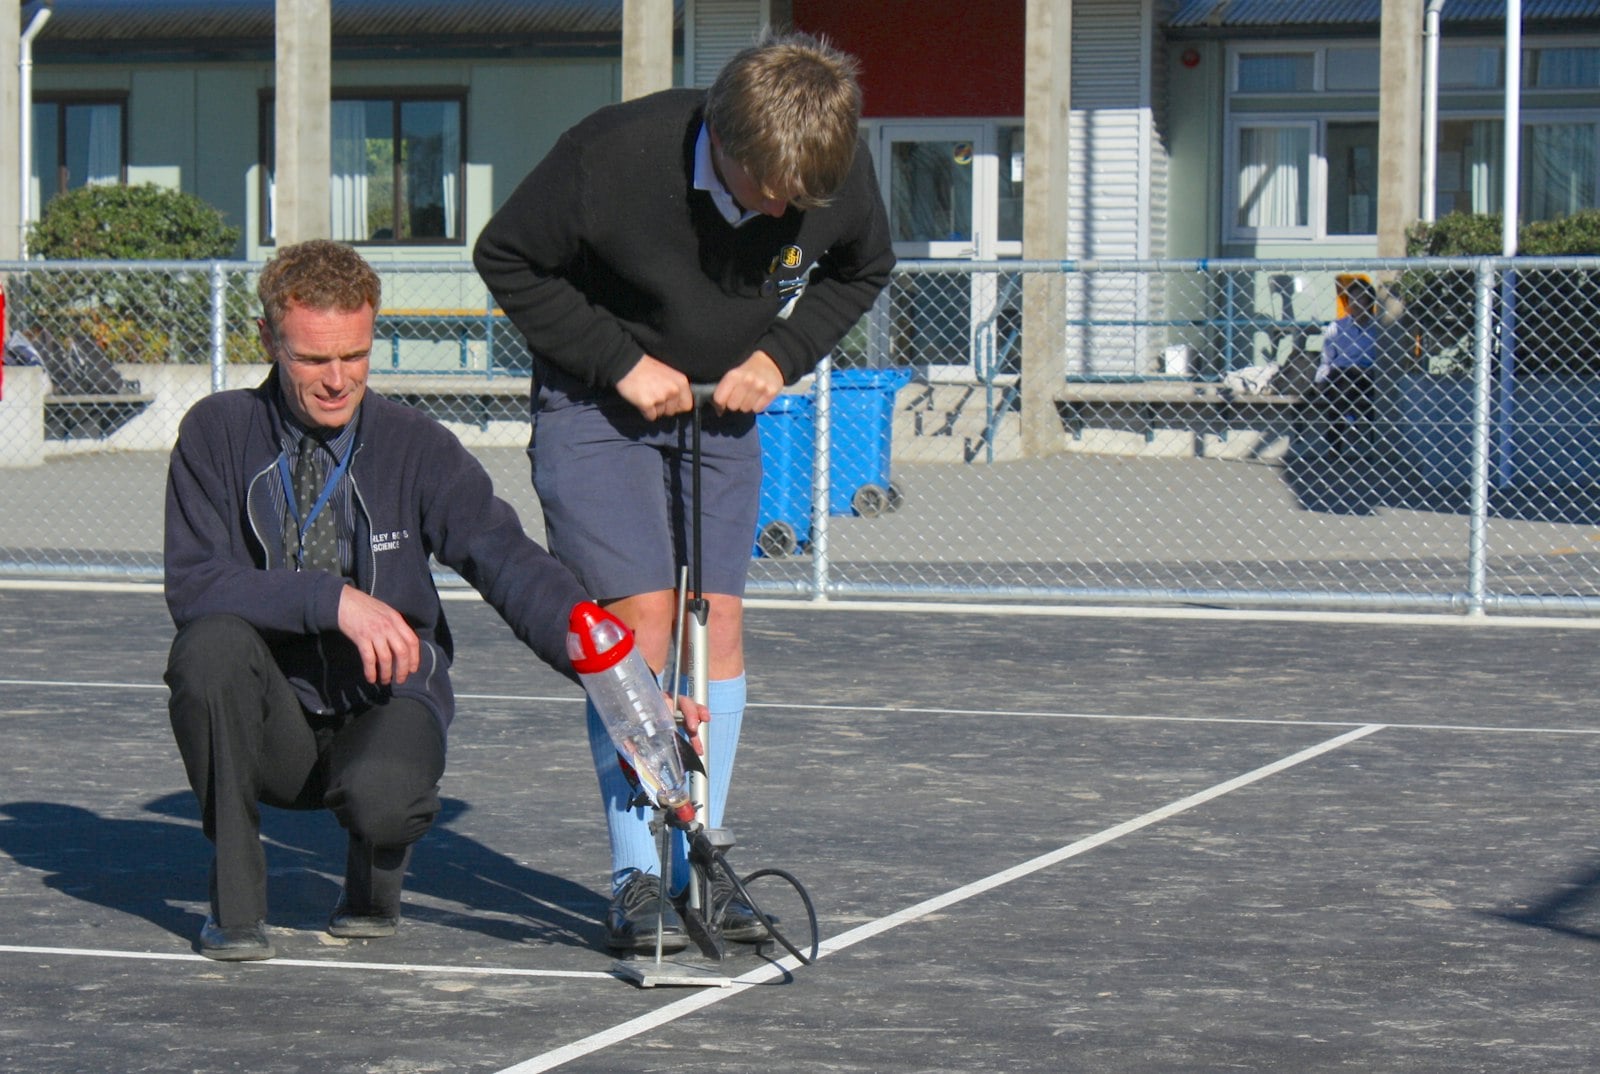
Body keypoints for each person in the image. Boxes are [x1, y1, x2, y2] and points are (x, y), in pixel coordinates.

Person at [474, 29, 895, 952]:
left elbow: (864, 268)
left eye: (802, 197)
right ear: (728, 144)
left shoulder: (828, 163)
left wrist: (780, 357)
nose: (784, 210)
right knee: (642, 622)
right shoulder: (610, 155)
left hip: (720, 407)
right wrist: (620, 363)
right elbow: (505, 257)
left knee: (719, 622)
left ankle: (698, 860)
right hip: (598, 401)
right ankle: (637, 879)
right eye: (768, 190)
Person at [162, 240, 697, 961]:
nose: (337, 380)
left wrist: (628, 684)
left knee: (385, 796)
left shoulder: (416, 444)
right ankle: (235, 909)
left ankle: (372, 884)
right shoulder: (215, 431)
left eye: (354, 355)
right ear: (267, 339)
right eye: (313, 360)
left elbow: (511, 562)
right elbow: (196, 583)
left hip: (385, 700)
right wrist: (333, 600)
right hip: (274, 719)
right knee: (208, 648)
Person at [1313, 276, 1381, 454]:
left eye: (1361, 299)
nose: (1356, 304)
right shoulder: (1337, 327)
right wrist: (1319, 380)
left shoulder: (1379, 329)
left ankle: (1335, 438)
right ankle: (1349, 422)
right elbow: (1327, 359)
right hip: (1339, 376)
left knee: (1349, 378)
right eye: (1352, 299)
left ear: (1370, 302)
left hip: (1366, 375)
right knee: (1339, 378)